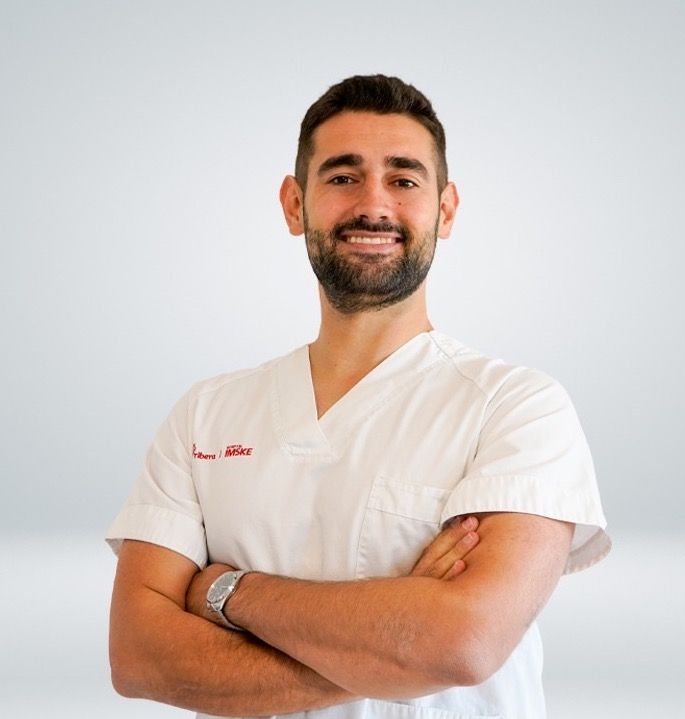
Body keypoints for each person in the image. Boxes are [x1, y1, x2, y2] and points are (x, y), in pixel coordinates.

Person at [107, 74, 610, 719]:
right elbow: (139, 657)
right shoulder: (205, 415)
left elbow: (466, 643)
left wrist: (226, 592)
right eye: (343, 177)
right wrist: (400, 647)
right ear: (295, 204)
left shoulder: (516, 408)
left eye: (404, 180)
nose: (374, 205)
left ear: (445, 210)